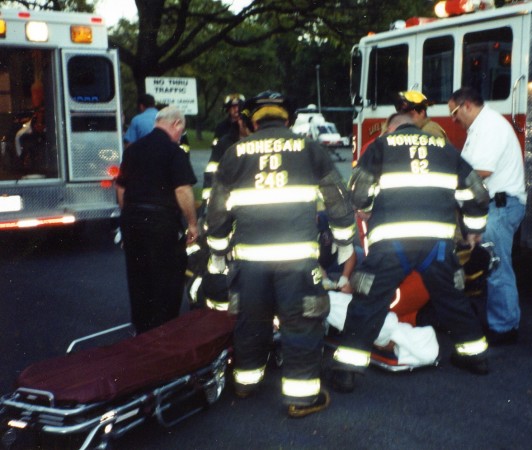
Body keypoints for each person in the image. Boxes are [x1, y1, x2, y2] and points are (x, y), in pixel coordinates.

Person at [206, 90, 355, 418]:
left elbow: (216, 211)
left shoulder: (234, 153)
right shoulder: (309, 149)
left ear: (253, 122)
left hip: (249, 263)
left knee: (251, 321)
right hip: (297, 262)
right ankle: (302, 399)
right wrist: (345, 243)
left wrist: (217, 253)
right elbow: (337, 199)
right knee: (301, 323)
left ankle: (246, 382)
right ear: (288, 119)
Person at [330, 112, 490, 394]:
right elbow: (475, 191)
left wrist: (365, 209)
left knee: (368, 303)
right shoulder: (445, 147)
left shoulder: (382, 146)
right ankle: (475, 357)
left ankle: (347, 372)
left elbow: (358, 187)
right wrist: (472, 229)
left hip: (392, 242)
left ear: (391, 128)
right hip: (437, 244)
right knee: (453, 299)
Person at [448, 86, 526, 345]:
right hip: (493, 207)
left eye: (454, 113)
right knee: (491, 264)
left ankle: (504, 328)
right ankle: (501, 320)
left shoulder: (490, 126)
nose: (453, 119)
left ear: (467, 105)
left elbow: (480, 172)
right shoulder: (479, 128)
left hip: (501, 207)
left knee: (496, 266)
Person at [116, 106, 199, 334]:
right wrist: (192, 223)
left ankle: (142, 331)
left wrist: (129, 218)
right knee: (167, 279)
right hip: (161, 223)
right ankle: (164, 331)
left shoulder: (132, 151)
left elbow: (121, 189)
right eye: (180, 132)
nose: (179, 136)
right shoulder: (175, 153)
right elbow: (183, 190)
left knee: (139, 278)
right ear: (176, 125)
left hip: (133, 222)